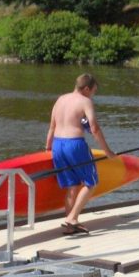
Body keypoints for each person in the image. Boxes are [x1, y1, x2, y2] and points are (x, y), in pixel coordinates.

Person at [45, 73, 115, 234]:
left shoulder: (61, 99)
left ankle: (70, 227)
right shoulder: (85, 101)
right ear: (86, 88)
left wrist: (48, 147)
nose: (93, 95)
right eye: (94, 91)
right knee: (91, 182)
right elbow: (95, 129)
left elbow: (52, 127)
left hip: (57, 144)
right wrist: (108, 151)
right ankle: (73, 218)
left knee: (72, 185)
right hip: (74, 144)